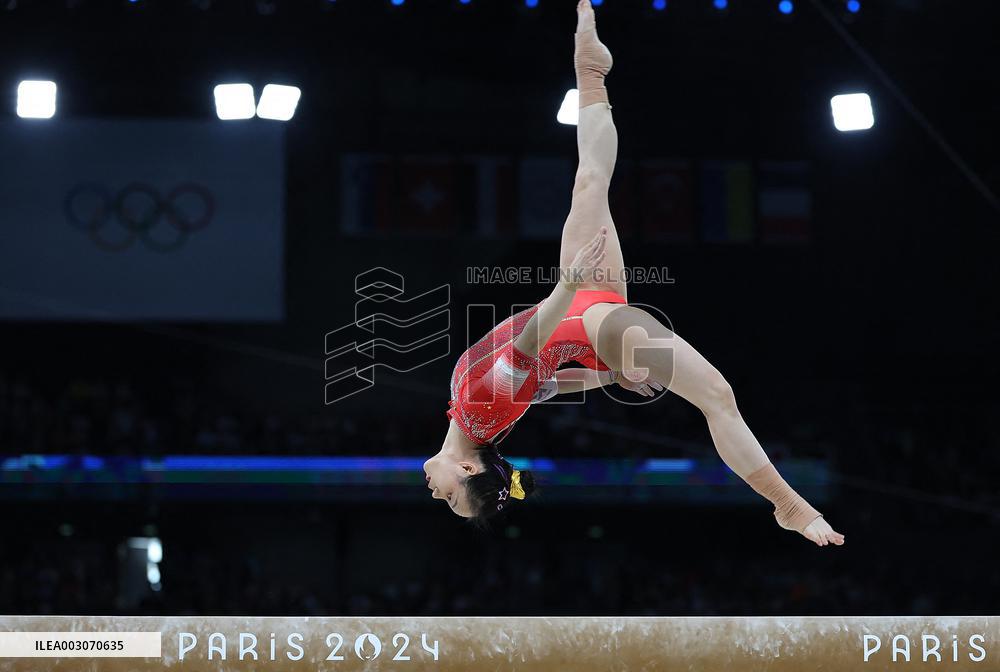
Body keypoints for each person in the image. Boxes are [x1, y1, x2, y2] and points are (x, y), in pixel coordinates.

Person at [424, 0, 845, 548]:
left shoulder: (476, 416)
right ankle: (787, 504)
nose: (436, 494)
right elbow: (532, 356)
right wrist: (583, 320)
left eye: (448, 501)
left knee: (590, 181)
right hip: (593, 320)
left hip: (581, 306)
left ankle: (590, 71)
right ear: (471, 471)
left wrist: (601, 362)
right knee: (716, 394)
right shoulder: (482, 420)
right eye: (452, 498)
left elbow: (541, 375)